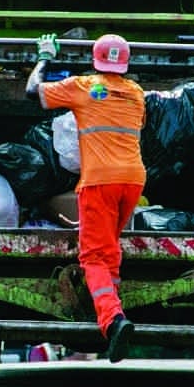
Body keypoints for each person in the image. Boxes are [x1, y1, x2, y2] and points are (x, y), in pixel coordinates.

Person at [26, 32, 146, 363]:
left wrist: (45, 57)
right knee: (110, 248)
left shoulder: (84, 86)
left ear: (95, 60)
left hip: (99, 182)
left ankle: (112, 320)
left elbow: (32, 92)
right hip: (133, 180)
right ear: (125, 62)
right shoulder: (136, 93)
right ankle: (113, 306)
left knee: (92, 255)